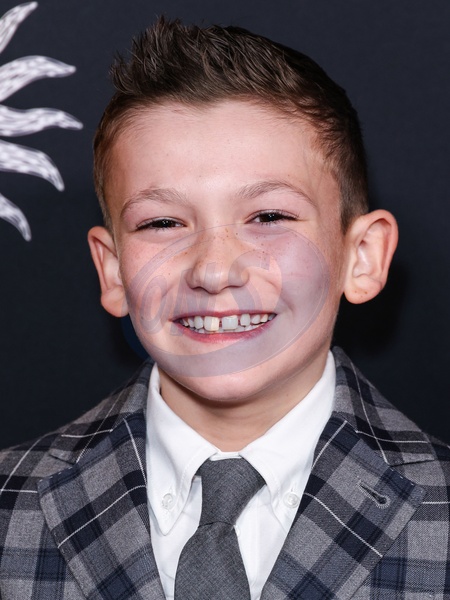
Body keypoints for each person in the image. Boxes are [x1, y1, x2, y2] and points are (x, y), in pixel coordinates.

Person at [0, 17, 449, 600]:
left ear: (360, 257)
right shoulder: (11, 503)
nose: (214, 272)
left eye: (269, 217)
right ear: (112, 270)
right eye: (163, 223)